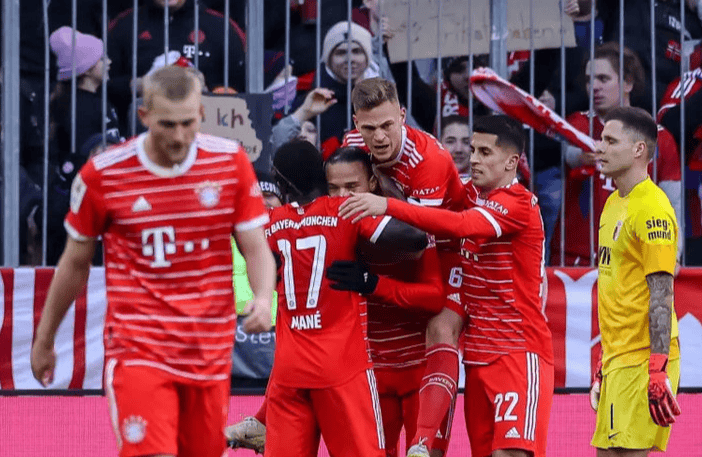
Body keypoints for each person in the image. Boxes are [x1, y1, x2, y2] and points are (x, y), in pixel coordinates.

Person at [30, 65, 276, 457]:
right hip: (139, 349)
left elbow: (256, 247)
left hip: (208, 352)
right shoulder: (104, 174)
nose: (179, 136)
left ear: (201, 114)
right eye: (167, 124)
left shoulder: (230, 162)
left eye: (188, 123)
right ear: (144, 116)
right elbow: (74, 264)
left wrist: (262, 297)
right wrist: (45, 339)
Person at [339, 114, 554, 457]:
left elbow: (460, 224)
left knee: (511, 454)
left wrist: (387, 206)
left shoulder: (518, 203)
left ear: (512, 161)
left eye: (485, 152)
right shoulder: (471, 193)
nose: (474, 158)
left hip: (516, 352)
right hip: (477, 358)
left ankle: (423, 441)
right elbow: (433, 197)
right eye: (473, 149)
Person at [262, 139, 430, 457]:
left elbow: (258, 262)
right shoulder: (344, 211)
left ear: (283, 184)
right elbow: (415, 238)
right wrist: (366, 248)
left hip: (288, 372)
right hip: (341, 369)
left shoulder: (270, 223)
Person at [343, 77, 471, 456]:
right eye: (369, 128)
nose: (379, 137)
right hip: (390, 239)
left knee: (440, 328)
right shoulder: (351, 147)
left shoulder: (429, 159)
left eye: (387, 125)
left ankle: (422, 442)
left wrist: (374, 213)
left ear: (402, 116)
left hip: (446, 247)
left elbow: (414, 241)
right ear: (356, 124)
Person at [589, 106, 682, 455]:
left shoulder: (652, 208)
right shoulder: (613, 203)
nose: (600, 148)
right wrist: (604, 364)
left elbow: (662, 294)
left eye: (611, 141)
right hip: (618, 360)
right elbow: (618, 289)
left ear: (639, 149)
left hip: (643, 360)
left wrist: (657, 369)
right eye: (601, 139)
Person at [553, 42, 682, 266]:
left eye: (603, 79)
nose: (594, 87)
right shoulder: (576, 125)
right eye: (589, 80)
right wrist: (580, 156)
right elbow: (568, 153)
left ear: (628, 83)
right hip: (575, 258)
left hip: (633, 260)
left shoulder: (660, 138)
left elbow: (672, 205)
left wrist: (673, 254)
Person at [107, 0, 247, 133]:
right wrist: (138, 85)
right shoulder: (125, 25)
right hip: (138, 135)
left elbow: (242, 88)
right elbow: (103, 86)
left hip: (207, 133)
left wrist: (204, 89)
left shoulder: (220, 26)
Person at [46, 26, 123, 266]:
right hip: (85, 202)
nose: (109, 62)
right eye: (102, 58)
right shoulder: (82, 108)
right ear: (87, 69)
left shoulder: (92, 102)